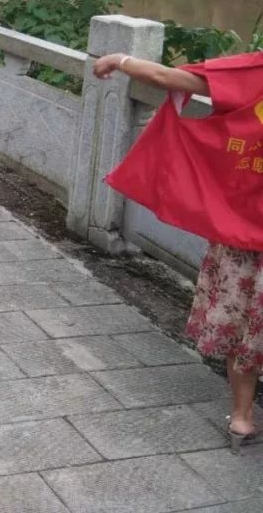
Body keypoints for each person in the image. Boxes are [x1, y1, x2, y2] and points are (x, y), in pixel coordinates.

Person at [95, 50, 263, 452]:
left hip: (242, 232)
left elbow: (168, 78)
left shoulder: (252, 71)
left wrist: (119, 59)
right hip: (243, 234)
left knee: (242, 326)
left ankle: (242, 418)